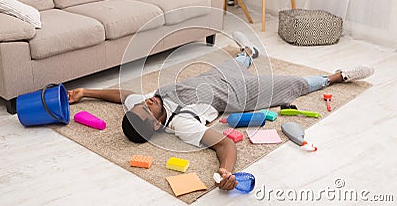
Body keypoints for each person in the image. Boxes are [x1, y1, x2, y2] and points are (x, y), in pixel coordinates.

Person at [67, 31, 374, 191]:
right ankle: (337, 76)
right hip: (240, 95)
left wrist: (85, 92)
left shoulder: (146, 104)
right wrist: (227, 170)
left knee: (237, 63)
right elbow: (225, 143)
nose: (147, 102)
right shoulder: (183, 125)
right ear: (158, 127)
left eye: (144, 103)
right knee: (290, 84)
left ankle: (246, 53)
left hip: (211, 77)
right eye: (147, 109)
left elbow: (124, 94)